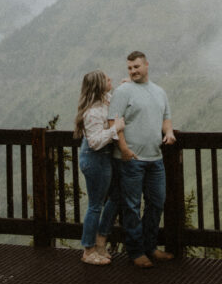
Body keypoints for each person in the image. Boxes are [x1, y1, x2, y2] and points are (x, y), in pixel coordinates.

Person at [108, 50, 176, 268]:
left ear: (147, 65)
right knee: (132, 206)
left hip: (155, 158)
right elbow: (113, 122)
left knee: (157, 202)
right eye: (129, 68)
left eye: (136, 66)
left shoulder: (159, 92)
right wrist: (124, 149)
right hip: (130, 159)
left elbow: (165, 117)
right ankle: (136, 251)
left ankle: (151, 247)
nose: (133, 71)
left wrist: (169, 132)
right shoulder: (123, 91)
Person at [73, 70, 125, 266]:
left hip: (103, 158)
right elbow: (94, 142)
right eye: (106, 79)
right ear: (97, 85)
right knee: (95, 205)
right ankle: (88, 249)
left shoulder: (106, 100)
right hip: (95, 158)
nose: (110, 79)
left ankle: (101, 241)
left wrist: (126, 85)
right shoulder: (92, 112)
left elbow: (118, 98)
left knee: (116, 196)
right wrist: (115, 129)